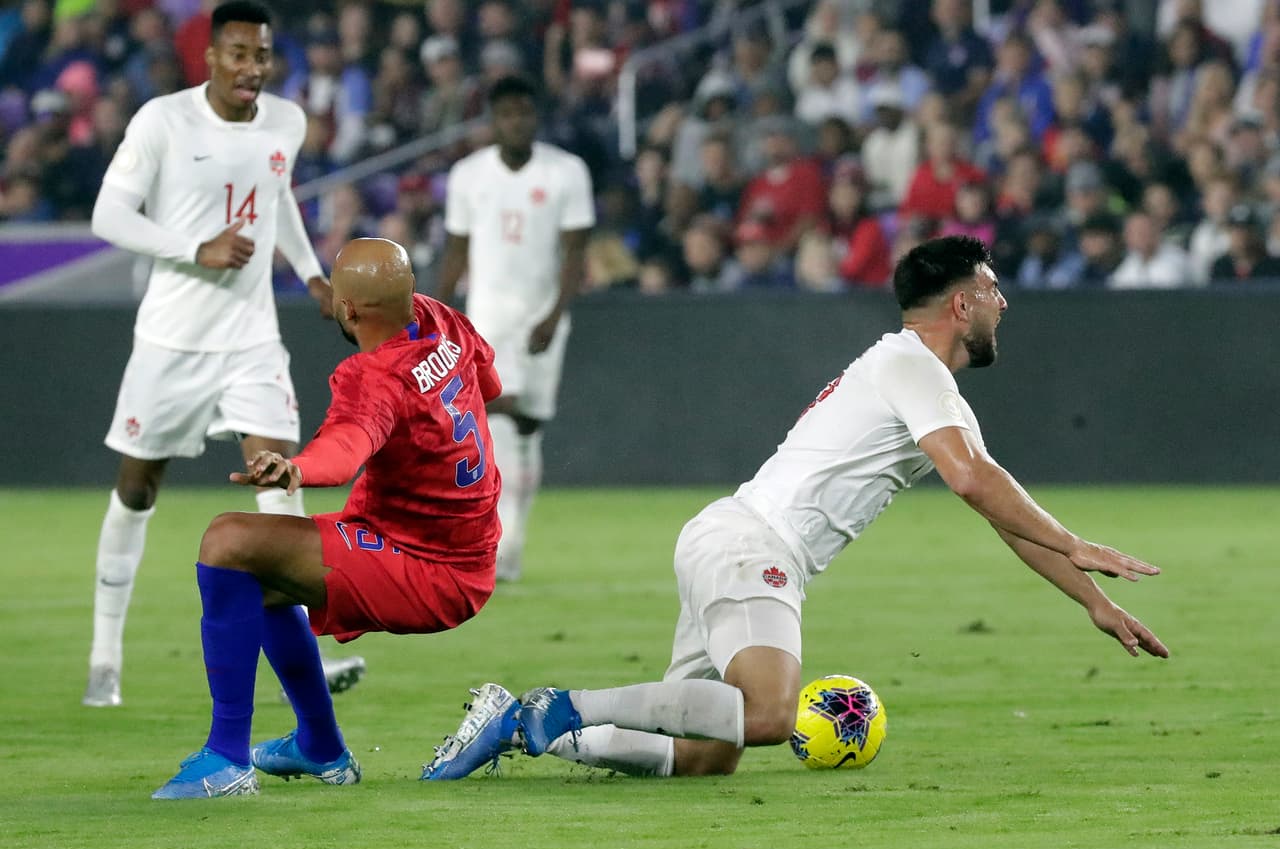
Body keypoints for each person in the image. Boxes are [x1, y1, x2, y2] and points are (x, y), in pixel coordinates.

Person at [422, 235, 1169, 782]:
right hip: (757, 547)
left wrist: (1092, 601)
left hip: (737, 541)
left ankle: (525, 732)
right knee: (773, 714)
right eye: (994, 291)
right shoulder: (909, 362)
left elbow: (992, 502)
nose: (1004, 305)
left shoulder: (928, 387)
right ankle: (548, 708)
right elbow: (974, 482)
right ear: (962, 301)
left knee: (709, 755)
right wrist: (1075, 541)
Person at [84, 0, 363, 708]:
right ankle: (104, 658)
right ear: (210, 57)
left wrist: (312, 276)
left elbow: (277, 200)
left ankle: (305, 655)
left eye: (261, 55)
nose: (251, 68)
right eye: (237, 53)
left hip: (251, 337)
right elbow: (107, 216)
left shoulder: (286, 123)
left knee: (282, 485)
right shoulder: (163, 122)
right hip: (172, 341)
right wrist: (195, 248)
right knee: (138, 488)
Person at [152, 237, 503, 799]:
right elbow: (490, 385)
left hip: (430, 567)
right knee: (258, 573)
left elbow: (346, 445)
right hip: (456, 546)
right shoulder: (441, 319)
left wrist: (296, 467)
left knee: (227, 541)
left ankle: (226, 761)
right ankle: (320, 748)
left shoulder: (372, 375)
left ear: (348, 309)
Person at [435, 74, 594, 583]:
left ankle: (514, 539)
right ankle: (498, 545)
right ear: (493, 120)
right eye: (507, 114)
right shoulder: (468, 176)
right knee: (492, 423)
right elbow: (456, 251)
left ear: (535, 117)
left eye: (525, 113)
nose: (516, 122)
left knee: (526, 428)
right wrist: (435, 313)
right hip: (486, 318)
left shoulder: (567, 172)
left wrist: (555, 314)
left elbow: (575, 253)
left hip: (541, 317)